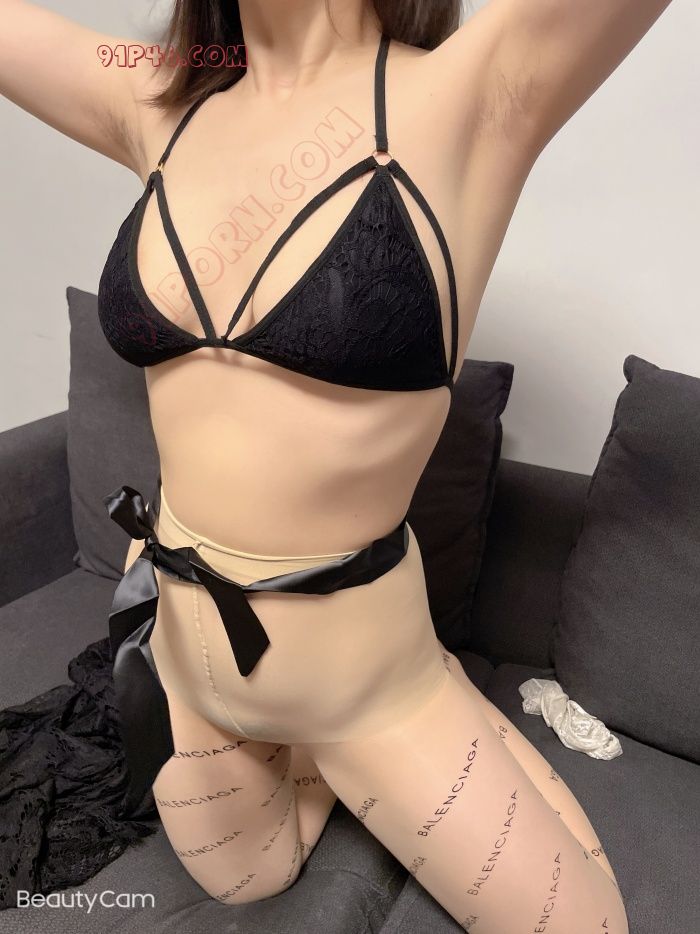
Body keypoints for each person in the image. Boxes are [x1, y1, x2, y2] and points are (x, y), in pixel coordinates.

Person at [1, 0, 674, 928]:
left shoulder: (475, 86)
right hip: (179, 652)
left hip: (362, 694)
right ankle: (312, 759)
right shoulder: (156, 94)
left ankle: (413, 712)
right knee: (248, 879)